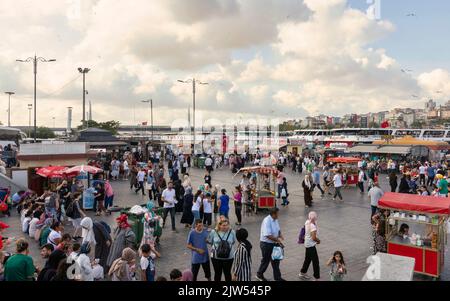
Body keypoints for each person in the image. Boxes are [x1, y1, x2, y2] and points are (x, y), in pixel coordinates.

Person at [256, 207, 285, 281]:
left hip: (274, 243)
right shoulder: (267, 221)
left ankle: (277, 278)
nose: (279, 215)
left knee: (276, 260)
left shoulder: (275, 219)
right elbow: (267, 235)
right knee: (266, 260)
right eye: (277, 213)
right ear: (273, 214)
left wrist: (280, 234)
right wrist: (277, 240)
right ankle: (259, 274)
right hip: (266, 244)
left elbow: (278, 229)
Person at [299, 212, 321, 281]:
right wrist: (318, 241)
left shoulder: (307, 221)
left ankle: (302, 273)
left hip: (307, 244)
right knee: (316, 262)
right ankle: (316, 278)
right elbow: (313, 237)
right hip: (311, 245)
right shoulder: (312, 226)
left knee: (308, 259)